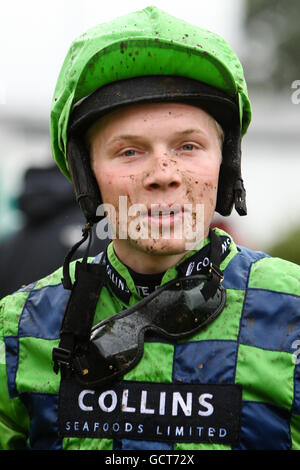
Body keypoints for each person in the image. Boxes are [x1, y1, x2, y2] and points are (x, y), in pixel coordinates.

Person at [0, 6, 299, 452]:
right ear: (87, 177)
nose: (164, 173)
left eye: (188, 145)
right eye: (128, 152)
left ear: (226, 162)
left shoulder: (293, 312)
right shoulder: (17, 330)